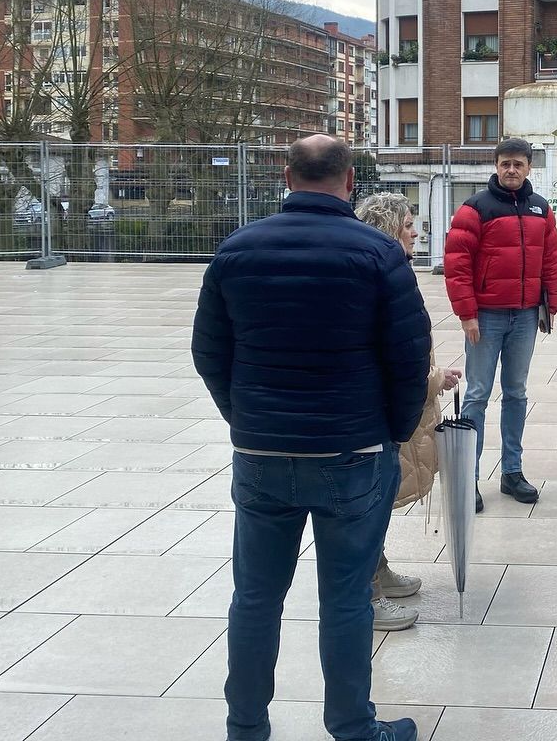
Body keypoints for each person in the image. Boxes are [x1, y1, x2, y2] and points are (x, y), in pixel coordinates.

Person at [192, 135, 430, 741]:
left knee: (255, 598)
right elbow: (409, 358)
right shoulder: (379, 255)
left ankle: (245, 728)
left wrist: (245, 420)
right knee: (346, 601)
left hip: (261, 454)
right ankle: (352, 727)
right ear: (349, 182)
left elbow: (209, 353)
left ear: (287, 175)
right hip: (352, 454)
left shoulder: (236, 251)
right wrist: (396, 431)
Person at [355, 192, 462, 629]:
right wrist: (434, 380)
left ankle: (378, 572)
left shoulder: (388, 271)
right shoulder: (381, 276)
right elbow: (390, 361)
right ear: (386, 229)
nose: (416, 232)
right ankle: (368, 595)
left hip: (400, 410)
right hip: (386, 415)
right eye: (407, 225)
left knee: (378, 503)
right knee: (370, 506)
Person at [444, 138, 557, 513]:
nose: (511, 170)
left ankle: (512, 471)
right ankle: (470, 476)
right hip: (487, 317)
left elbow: (551, 260)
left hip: (526, 315)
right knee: (477, 395)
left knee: (516, 393)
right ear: (496, 166)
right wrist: (467, 313)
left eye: (518, 164)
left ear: (529, 167)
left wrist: (551, 306)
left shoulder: (542, 209)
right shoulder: (474, 208)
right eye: (505, 164)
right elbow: (457, 263)